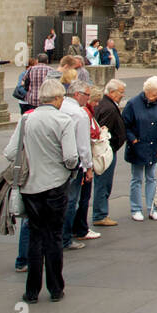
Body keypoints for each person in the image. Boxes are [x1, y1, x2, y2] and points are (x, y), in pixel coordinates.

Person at [4, 78, 78, 303]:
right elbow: (71, 157)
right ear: (57, 99)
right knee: (54, 236)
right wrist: (66, 168)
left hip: (30, 185)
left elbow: (9, 152)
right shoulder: (64, 120)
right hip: (55, 184)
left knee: (35, 236)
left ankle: (32, 291)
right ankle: (56, 288)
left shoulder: (27, 120)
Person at [122, 76, 157, 221]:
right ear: (148, 91)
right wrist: (133, 140)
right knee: (137, 178)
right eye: (156, 94)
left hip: (153, 146)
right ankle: (136, 208)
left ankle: (151, 208)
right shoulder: (133, 104)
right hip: (138, 146)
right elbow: (125, 124)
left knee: (151, 178)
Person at [59, 81, 97, 250]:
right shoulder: (79, 114)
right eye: (87, 95)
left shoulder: (59, 108)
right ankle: (65, 238)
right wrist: (88, 167)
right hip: (74, 163)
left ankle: (58, 235)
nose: (88, 99)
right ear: (77, 94)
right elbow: (83, 145)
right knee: (71, 201)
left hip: (56, 161)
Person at [92, 79, 127, 227]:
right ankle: (100, 214)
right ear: (112, 92)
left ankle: (101, 213)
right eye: (120, 92)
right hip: (106, 150)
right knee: (103, 183)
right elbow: (103, 130)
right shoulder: (108, 108)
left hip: (108, 149)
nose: (122, 95)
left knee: (104, 183)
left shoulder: (107, 105)